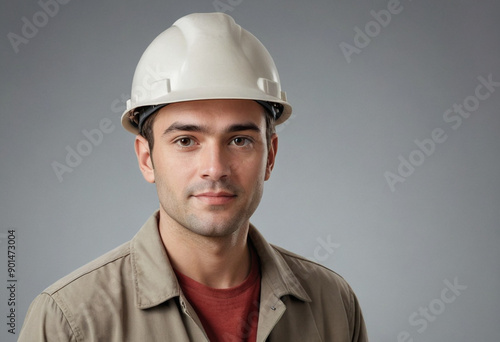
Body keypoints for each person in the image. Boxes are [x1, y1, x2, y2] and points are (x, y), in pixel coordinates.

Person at [19, 12, 368, 341]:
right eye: (186, 141)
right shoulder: (70, 320)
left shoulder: (332, 303)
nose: (215, 168)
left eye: (239, 140)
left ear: (270, 156)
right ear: (147, 159)